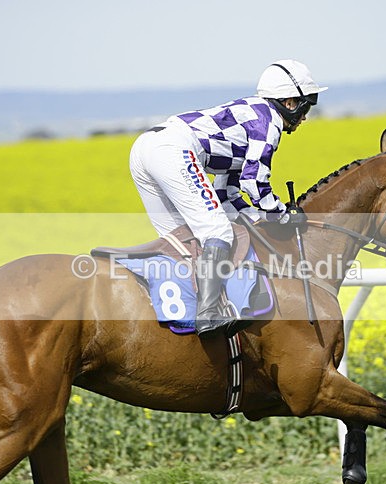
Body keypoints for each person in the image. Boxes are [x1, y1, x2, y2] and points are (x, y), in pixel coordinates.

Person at [129, 59, 327, 338]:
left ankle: (182, 313)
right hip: (173, 150)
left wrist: (259, 216)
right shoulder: (268, 122)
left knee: (181, 238)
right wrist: (283, 215)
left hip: (144, 148)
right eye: (306, 106)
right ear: (291, 102)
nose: (305, 117)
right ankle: (209, 314)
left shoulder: (251, 114)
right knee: (216, 230)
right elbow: (255, 181)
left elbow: (227, 194)